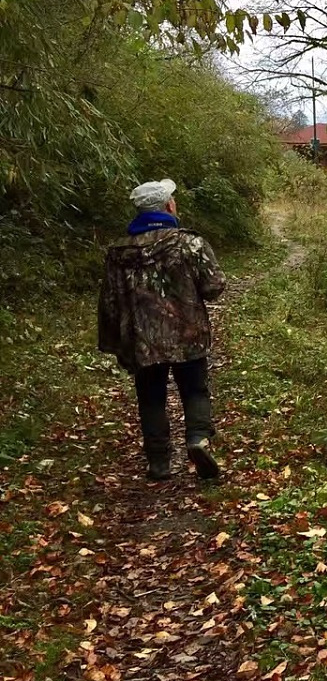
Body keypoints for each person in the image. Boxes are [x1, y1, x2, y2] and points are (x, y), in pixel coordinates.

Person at [98, 179, 225, 481]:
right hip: (188, 336)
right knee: (195, 390)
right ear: (168, 206)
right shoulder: (189, 243)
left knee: (150, 397)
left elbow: (109, 303)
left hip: (141, 340)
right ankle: (197, 439)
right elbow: (215, 287)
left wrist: (115, 344)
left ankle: (158, 462)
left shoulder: (118, 252)